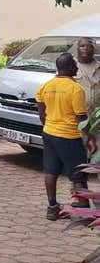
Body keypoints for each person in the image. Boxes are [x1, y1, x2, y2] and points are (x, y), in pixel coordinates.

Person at [36, 53, 97, 219]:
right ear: (69, 68)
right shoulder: (75, 89)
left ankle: (52, 207)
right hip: (69, 136)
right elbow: (81, 118)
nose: (77, 67)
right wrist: (90, 138)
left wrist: (49, 126)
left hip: (49, 133)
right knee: (79, 173)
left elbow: (41, 112)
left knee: (50, 171)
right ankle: (83, 209)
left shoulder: (45, 86)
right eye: (75, 65)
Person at [76, 37, 100, 153]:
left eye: (89, 46)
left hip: (96, 121)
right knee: (79, 155)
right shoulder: (70, 67)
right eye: (82, 46)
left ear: (94, 49)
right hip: (78, 121)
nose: (86, 48)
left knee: (96, 154)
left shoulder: (99, 67)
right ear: (77, 48)